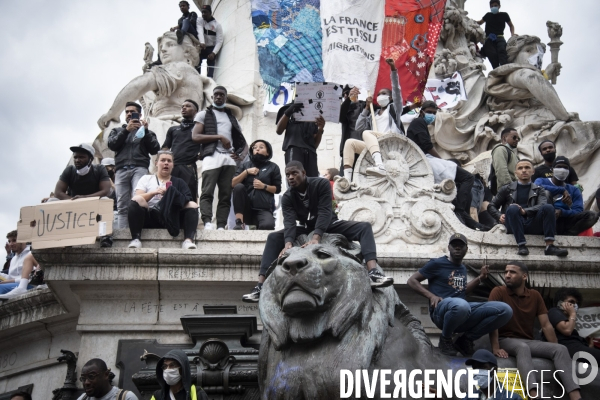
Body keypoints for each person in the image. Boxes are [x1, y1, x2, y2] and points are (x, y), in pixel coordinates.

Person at [242, 161, 393, 302]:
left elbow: (325, 211)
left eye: (294, 173)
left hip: (329, 223)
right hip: (307, 226)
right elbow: (289, 221)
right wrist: (288, 243)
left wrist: (316, 237)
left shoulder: (321, 183)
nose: (290, 177)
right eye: (288, 175)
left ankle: (373, 272)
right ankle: (260, 286)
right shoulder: (288, 197)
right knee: (274, 237)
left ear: (303, 172)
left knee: (364, 227)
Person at [488, 262, 583, 400]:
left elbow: (546, 325)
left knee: (560, 349)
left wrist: (554, 346)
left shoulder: (535, 295)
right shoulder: (498, 291)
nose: (507, 275)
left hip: (528, 340)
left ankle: (576, 396)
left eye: (512, 272)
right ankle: (534, 394)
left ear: (524, 276)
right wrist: (495, 347)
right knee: (522, 347)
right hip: (505, 340)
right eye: (506, 272)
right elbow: (492, 320)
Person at [407, 233, 513, 356]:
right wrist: (431, 296)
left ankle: (465, 339)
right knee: (462, 305)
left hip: (462, 311)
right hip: (441, 311)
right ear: (449, 248)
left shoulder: (462, 268)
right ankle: (445, 339)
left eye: (460, 246)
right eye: (454, 245)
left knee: (505, 310)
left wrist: (480, 278)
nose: (457, 248)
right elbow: (412, 281)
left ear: (466, 249)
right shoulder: (437, 263)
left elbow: (461, 291)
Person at [407, 101, 486, 230]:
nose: (432, 115)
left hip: (424, 159)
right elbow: (427, 145)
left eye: (434, 113)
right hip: (424, 160)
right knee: (468, 178)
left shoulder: (421, 124)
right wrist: (442, 160)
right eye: (429, 112)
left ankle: (466, 217)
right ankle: (460, 210)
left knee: (458, 181)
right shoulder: (418, 122)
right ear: (422, 112)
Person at [192, 86, 247, 230]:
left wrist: (240, 156)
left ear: (226, 97)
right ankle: (208, 222)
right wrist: (219, 137)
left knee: (225, 194)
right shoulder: (203, 114)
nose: (218, 97)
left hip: (229, 158)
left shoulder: (231, 118)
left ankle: (221, 225)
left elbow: (243, 142)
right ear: (212, 97)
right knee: (207, 191)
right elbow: (195, 136)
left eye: (221, 95)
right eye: (216, 94)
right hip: (212, 155)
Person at [488, 159, 568, 256]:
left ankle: (549, 246)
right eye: (520, 168)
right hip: (513, 224)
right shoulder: (507, 188)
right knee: (513, 208)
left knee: (548, 207)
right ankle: (521, 246)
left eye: (527, 167)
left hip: (532, 223)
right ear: (516, 172)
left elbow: (542, 205)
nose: (524, 170)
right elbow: (491, 205)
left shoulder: (539, 189)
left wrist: (524, 211)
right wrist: (499, 216)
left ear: (533, 171)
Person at [344, 59, 406, 178]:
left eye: (384, 94)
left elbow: (397, 90)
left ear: (390, 98)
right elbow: (358, 127)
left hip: (391, 141)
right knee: (349, 143)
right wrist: (366, 108)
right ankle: (347, 179)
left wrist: (393, 69)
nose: (380, 96)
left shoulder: (394, 109)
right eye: (378, 94)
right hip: (377, 145)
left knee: (367, 133)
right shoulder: (374, 114)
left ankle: (379, 166)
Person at [127, 151, 199, 249]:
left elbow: (186, 200)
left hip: (172, 218)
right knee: (136, 199)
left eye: (169, 161)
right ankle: (136, 239)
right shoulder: (146, 178)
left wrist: (170, 193)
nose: (166, 163)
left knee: (193, 204)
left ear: (173, 165)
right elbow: (138, 197)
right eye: (163, 160)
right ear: (156, 163)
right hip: (150, 216)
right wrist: (154, 193)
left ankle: (188, 241)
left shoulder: (179, 182)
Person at [108, 102, 161, 229]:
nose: (129, 114)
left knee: (137, 200)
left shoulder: (146, 131)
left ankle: (136, 233)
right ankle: (123, 235)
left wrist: (146, 131)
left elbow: (155, 149)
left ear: (139, 114)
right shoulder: (117, 130)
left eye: (133, 112)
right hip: (121, 170)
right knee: (121, 205)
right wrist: (126, 131)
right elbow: (111, 144)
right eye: (127, 112)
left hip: (139, 169)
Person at [51, 143, 114, 247]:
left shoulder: (99, 169)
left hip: (94, 206)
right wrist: (74, 201)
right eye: (75, 157)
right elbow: (58, 192)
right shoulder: (69, 170)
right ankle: (53, 237)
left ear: (90, 158)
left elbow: (105, 191)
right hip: (72, 206)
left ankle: (105, 236)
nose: (77, 160)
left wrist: (85, 199)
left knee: (105, 200)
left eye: (81, 157)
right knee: (51, 202)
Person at [534, 156, 598, 235]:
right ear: (552, 169)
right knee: (546, 193)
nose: (562, 170)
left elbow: (578, 211)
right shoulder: (541, 180)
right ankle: (549, 231)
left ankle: (568, 235)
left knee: (592, 215)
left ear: (569, 171)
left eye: (565, 168)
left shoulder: (574, 190)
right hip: (544, 220)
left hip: (564, 221)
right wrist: (561, 190)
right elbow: (537, 187)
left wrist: (562, 211)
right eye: (559, 167)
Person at [231, 140, 281, 231]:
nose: (257, 149)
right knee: (239, 187)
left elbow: (277, 189)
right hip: (246, 208)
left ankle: (257, 225)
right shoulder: (245, 166)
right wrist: (246, 172)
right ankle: (239, 222)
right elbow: (233, 183)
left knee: (268, 225)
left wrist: (264, 186)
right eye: (254, 148)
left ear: (267, 152)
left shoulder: (273, 167)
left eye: (261, 147)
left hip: (263, 208)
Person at [545, 287, 600, 365]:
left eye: (576, 303)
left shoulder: (569, 320)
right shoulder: (554, 311)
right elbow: (566, 330)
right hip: (569, 349)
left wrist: (589, 347)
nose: (574, 305)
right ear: (560, 303)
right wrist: (573, 314)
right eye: (571, 302)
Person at [162, 100, 201, 202]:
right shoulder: (173, 129)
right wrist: (162, 161)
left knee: (189, 197)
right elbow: (165, 147)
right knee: (169, 196)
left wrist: (202, 154)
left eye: (188, 106)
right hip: (172, 167)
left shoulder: (199, 129)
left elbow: (207, 144)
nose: (184, 108)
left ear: (196, 111)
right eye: (182, 106)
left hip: (188, 167)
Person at [276, 102, 325, 178]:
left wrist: (321, 128)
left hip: (311, 152)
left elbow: (314, 144)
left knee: (312, 180)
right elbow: (279, 131)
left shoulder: (314, 112)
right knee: (295, 175)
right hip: (294, 148)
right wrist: (288, 112)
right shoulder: (288, 108)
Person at [477, 0, 515, 69]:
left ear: (499, 6)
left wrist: (513, 34)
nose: (493, 7)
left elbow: (511, 26)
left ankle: (505, 69)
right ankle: (497, 70)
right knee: (492, 54)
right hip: (488, 39)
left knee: (502, 51)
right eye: (491, 6)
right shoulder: (488, 15)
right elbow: (479, 22)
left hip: (500, 38)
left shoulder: (504, 15)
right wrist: (469, 21)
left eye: (495, 6)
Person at [0, 231, 33, 296]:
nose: (11, 244)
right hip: (14, 285)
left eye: (14, 240)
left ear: (23, 241)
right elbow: (10, 277)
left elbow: (32, 278)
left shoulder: (31, 254)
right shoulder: (13, 259)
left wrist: (8, 281)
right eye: (9, 241)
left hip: (28, 285)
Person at [196, 5, 223, 78]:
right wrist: (202, 42)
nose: (203, 14)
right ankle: (197, 77)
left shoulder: (217, 25)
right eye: (202, 12)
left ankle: (209, 78)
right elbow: (200, 31)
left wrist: (213, 53)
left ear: (210, 13)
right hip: (202, 47)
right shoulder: (200, 20)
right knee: (197, 61)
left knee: (211, 63)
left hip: (211, 48)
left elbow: (219, 41)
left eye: (205, 12)